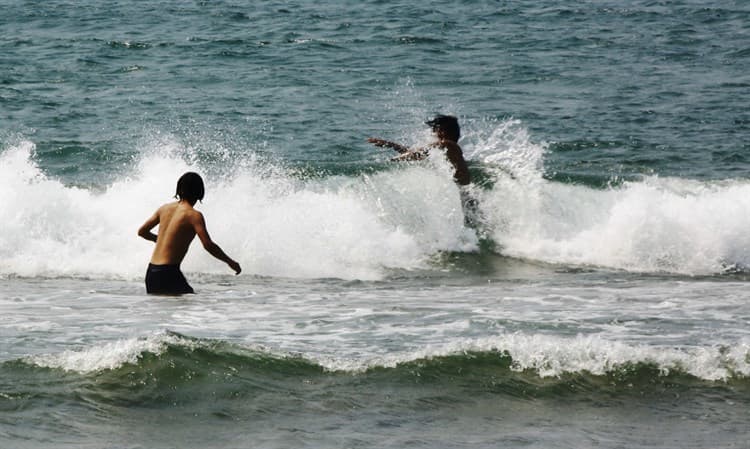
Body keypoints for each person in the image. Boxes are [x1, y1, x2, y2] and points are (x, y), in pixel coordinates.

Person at [137, 172, 241, 295]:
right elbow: (208, 244)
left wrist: (161, 240)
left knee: (165, 312)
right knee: (194, 309)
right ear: (199, 192)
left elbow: (142, 232)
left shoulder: (164, 209)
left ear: (179, 189)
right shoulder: (194, 215)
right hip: (169, 273)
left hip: (151, 273)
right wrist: (230, 261)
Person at [368, 115, 480, 226]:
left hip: (465, 201)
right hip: (465, 199)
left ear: (442, 131)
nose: (433, 134)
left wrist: (394, 160)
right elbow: (419, 154)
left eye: (435, 130)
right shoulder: (450, 149)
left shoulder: (448, 145)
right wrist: (392, 145)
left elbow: (418, 154)